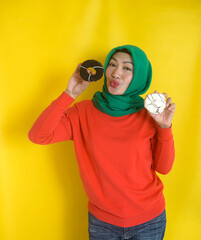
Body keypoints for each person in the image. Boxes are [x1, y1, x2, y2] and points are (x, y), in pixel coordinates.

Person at [28, 45, 175, 240]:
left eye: (126, 68)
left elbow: (164, 168)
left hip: (149, 220)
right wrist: (69, 94)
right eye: (112, 65)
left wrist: (164, 127)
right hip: (103, 223)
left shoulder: (150, 115)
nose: (116, 73)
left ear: (139, 76)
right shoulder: (83, 112)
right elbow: (38, 135)